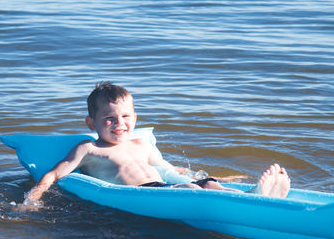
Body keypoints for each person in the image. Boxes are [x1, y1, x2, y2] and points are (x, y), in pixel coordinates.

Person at [26, 82, 290, 205]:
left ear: (135, 118)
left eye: (126, 116)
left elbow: (172, 169)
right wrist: (34, 197)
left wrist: (225, 176)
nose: (119, 123)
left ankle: (253, 196)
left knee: (207, 183)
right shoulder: (89, 148)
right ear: (91, 123)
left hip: (165, 184)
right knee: (187, 188)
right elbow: (55, 173)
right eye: (109, 118)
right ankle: (254, 199)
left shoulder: (142, 144)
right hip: (143, 192)